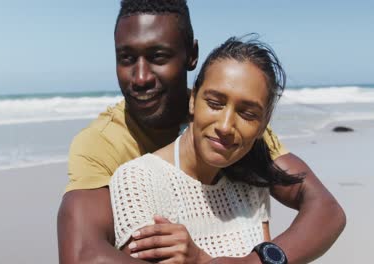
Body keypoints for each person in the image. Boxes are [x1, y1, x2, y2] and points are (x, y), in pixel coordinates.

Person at [57, 1, 346, 263]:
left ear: (191, 56)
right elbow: (83, 254)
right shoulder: (103, 143)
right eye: (127, 58)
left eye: (158, 57)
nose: (141, 77)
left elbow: (325, 209)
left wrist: (255, 261)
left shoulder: (234, 131)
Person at [109, 36, 304, 263]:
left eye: (248, 114)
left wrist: (201, 259)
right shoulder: (138, 181)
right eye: (214, 104)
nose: (225, 126)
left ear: (263, 124)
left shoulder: (251, 184)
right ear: (193, 101)